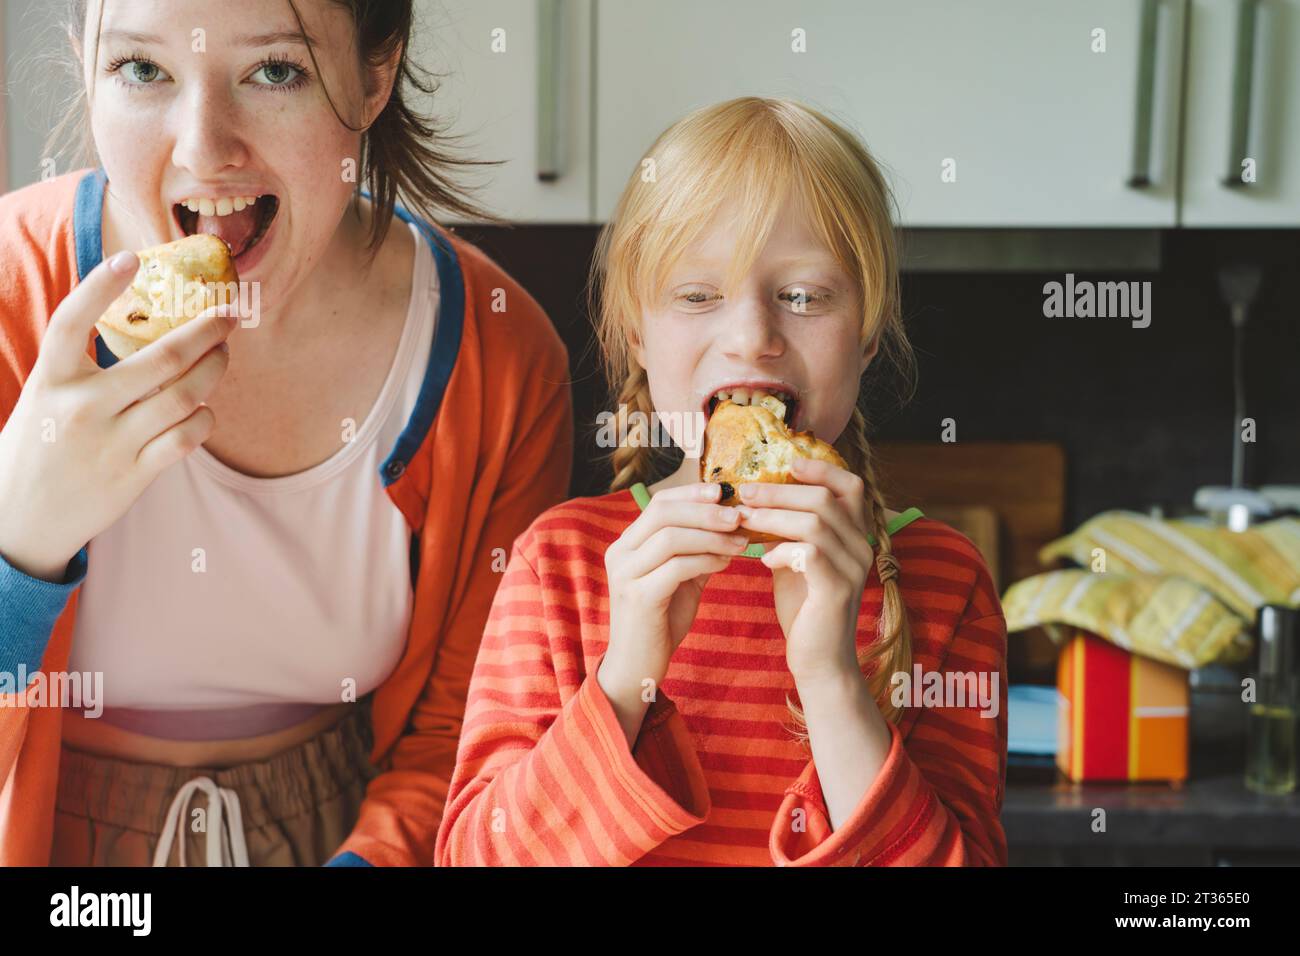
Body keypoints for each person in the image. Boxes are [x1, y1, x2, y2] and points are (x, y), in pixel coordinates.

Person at [0, 0, 572, 866]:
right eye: (142, 70)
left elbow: (465, 739)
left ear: (375, 74)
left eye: (275, 70)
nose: (202, 148)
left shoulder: (501, 357)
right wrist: (21, 547)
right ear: (85, 66)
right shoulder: (11, 296)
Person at [435, 97, 1007, 866]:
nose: (752, 339)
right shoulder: (560, 566)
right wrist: (627, 675)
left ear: (868, 331)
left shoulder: (946, 582)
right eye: (698, 296)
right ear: (637, 334)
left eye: (803, 296)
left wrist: (832, 680)